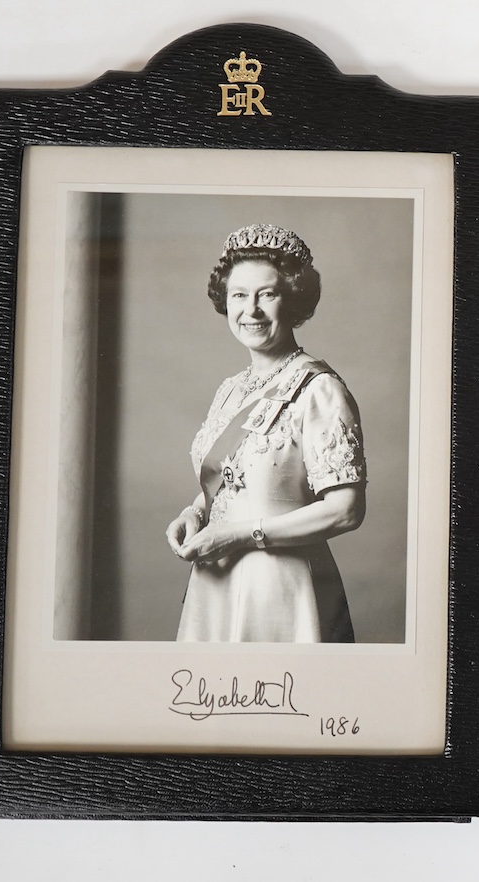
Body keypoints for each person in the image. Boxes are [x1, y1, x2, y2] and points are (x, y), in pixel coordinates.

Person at [165, 223, 366, 642]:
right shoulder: (231, 389)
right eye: (239, 295)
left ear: (292, 300)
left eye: (267, 294)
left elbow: (346, 510)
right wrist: (194, 513)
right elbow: (232, 482)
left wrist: (241, 535)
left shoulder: (319, 389)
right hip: (214, 580)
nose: (251, 310)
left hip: (283, 589)